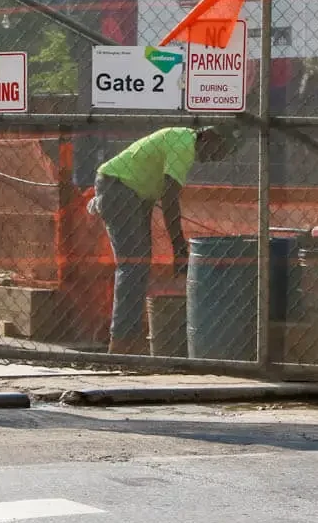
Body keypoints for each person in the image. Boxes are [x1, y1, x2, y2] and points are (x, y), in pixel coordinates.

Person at [92, 125, 231, 354]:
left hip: (131, 192)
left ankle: (129, 338)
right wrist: (178, 247)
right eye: (220, 149)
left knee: (138, 266)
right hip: (120, 188)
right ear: (208, 137)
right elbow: (169, 198)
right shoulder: (184, 145)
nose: (217, 158)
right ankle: (121, 343)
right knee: (132, 266)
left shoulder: (182, 139)